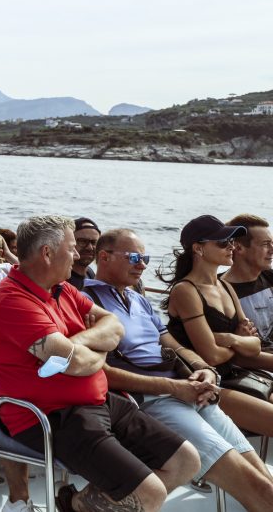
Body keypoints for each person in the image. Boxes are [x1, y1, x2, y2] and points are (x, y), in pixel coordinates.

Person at [0, 215, 198, 512]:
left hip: (98, 401)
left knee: (186, 461)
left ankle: (77, 504)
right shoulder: (11, 301)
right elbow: (72, 363)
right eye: (72, 247)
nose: (77, 255)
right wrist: (91, 350)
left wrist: (79, 343)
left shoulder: (63, 289)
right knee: (150, 495)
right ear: (47, 253)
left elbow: (114, 325)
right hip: (50, 417)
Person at [87, 228, 273, 511]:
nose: (143, 265)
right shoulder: (86, 302)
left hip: (189, 390)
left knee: (263, 476)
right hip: (151, 400)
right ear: (104, 257)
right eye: (135, 257)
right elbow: (100, 372)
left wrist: (204, 369)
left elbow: (173, 345)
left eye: (146, 257)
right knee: (256, 488)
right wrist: (175, 388)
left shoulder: (138, 299)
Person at [162, 214, 273, 434]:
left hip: (234, 373)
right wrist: (240, 342)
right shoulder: (186, 290)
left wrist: (230, 339)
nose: (231, 246)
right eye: (223, 242)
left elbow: (255, 346)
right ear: (198, 248)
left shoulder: (225, 287)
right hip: (206, 382)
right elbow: (210, 356)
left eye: (232, 241)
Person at [222, 214, 273, 346]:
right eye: (266, 244)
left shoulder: (269, 276)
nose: (272, 250)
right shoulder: (219, 290)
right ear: (238, 248)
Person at [68, 216, 100, 290]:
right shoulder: (60, 278)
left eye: (94, 242)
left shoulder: (89, 273)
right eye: (82, 241)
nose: (90, 247)